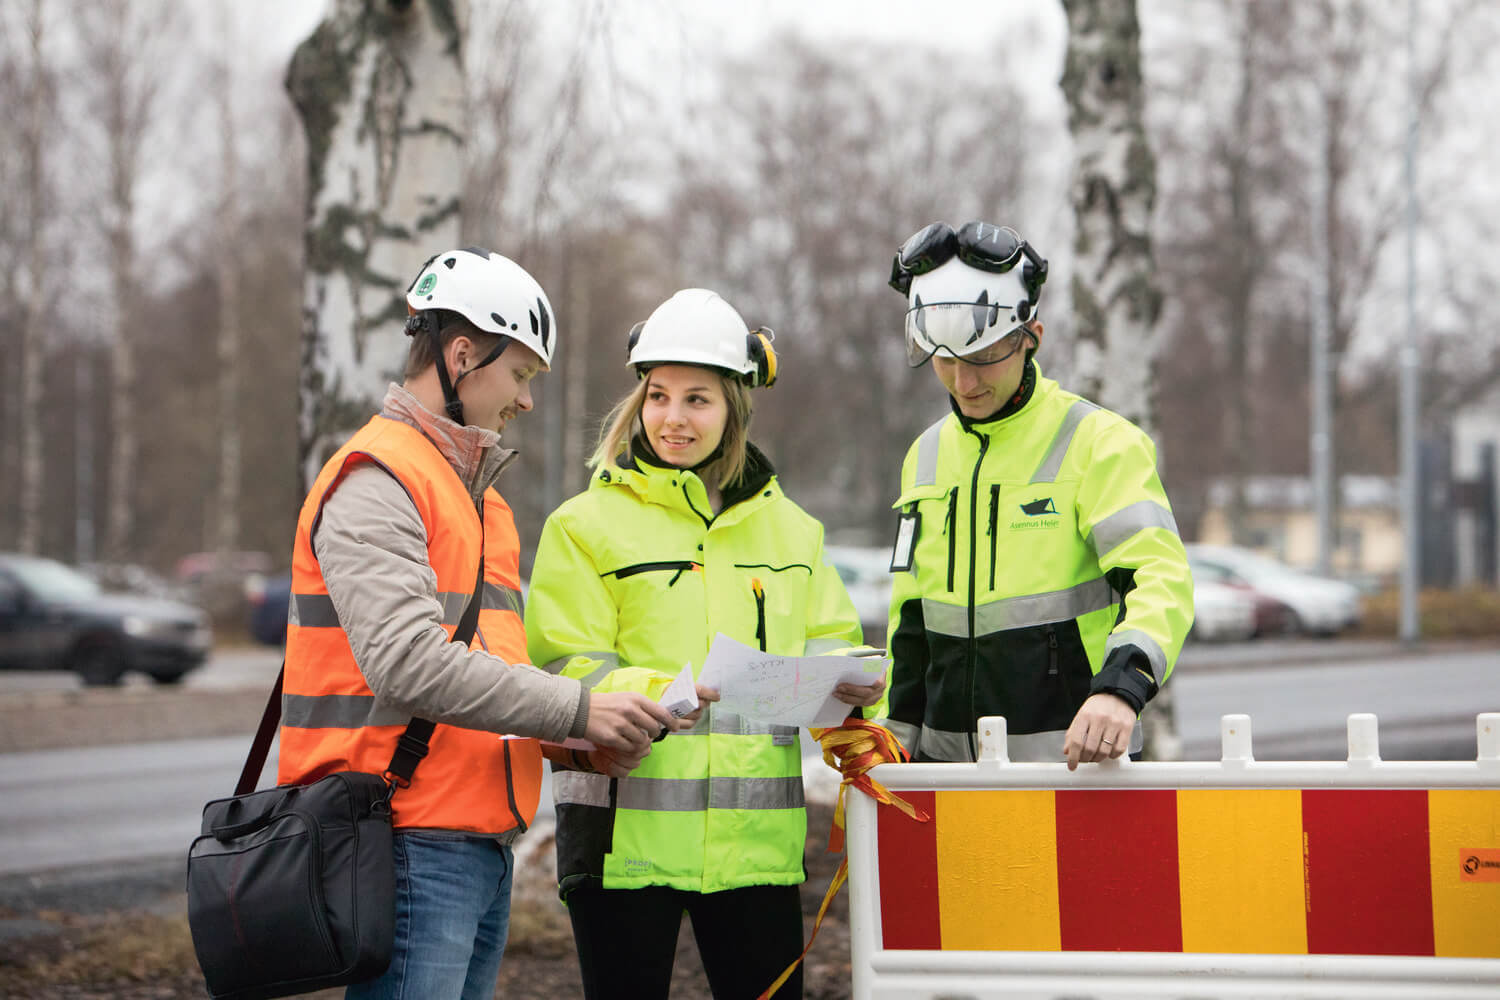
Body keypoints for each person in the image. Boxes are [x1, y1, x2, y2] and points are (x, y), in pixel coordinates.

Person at [277, 247, 677, 1000]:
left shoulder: (481, 500)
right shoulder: (378, 477)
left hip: (477, 843)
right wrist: (583, 706)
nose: (526, 400)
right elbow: (409, 665)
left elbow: (488, 677)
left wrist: (576, 743)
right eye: (521, 374)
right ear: (463, 355)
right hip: (404, 841)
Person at [524, 288, 879, 1000]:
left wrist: (861, 684)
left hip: (756, 849)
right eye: (658, 396)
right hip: (622, 848)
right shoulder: (583, 525)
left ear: (735, 409)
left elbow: (838, 645)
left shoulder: (795, 534)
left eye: (698, 400)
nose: (673, 419)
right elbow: (564, 665)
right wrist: (660, 692)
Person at [876, 221, 1194, 770]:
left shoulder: (1099, 442)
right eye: (945, 361)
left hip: (1076, 772)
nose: (963, 383)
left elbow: (1160, 579)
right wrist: (891, 737)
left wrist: (1121, 688)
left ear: (1032, 338)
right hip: (944, 778)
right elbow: (910, 621)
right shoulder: (923, 456)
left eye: (982, 359)